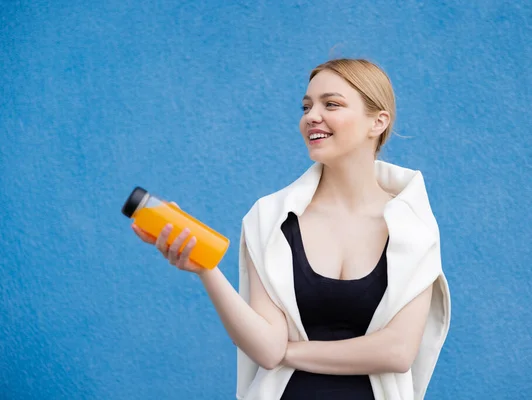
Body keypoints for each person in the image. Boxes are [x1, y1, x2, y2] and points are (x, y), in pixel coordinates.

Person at [132, 58, 451, 400]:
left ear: (378, 121)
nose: (312, 116)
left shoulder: (413, 224)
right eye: (306, 106)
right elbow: (265, 347)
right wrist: (205, 270)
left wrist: (289, 352)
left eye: (331, 104)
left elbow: (398, 352)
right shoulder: (270, 219)